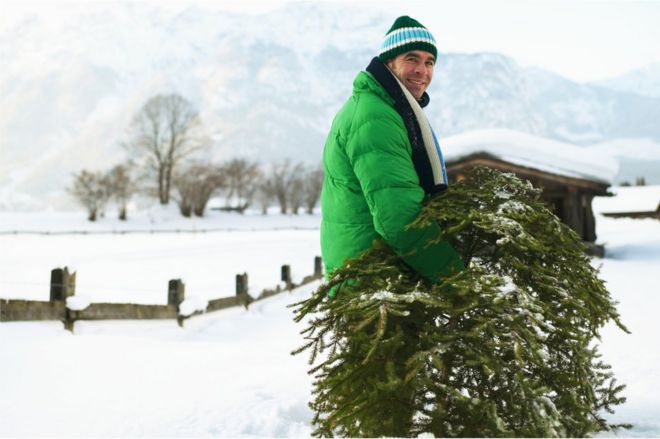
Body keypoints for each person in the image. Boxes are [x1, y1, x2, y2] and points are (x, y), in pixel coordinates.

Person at [320, 16, 464, 291]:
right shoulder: (375, 117)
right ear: (389, 62)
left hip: (380, 274)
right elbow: (399, 216)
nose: (422, 70)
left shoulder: (389, 110)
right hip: (370, 280)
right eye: (412, 59)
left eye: (429, 62)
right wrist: (457, 280)